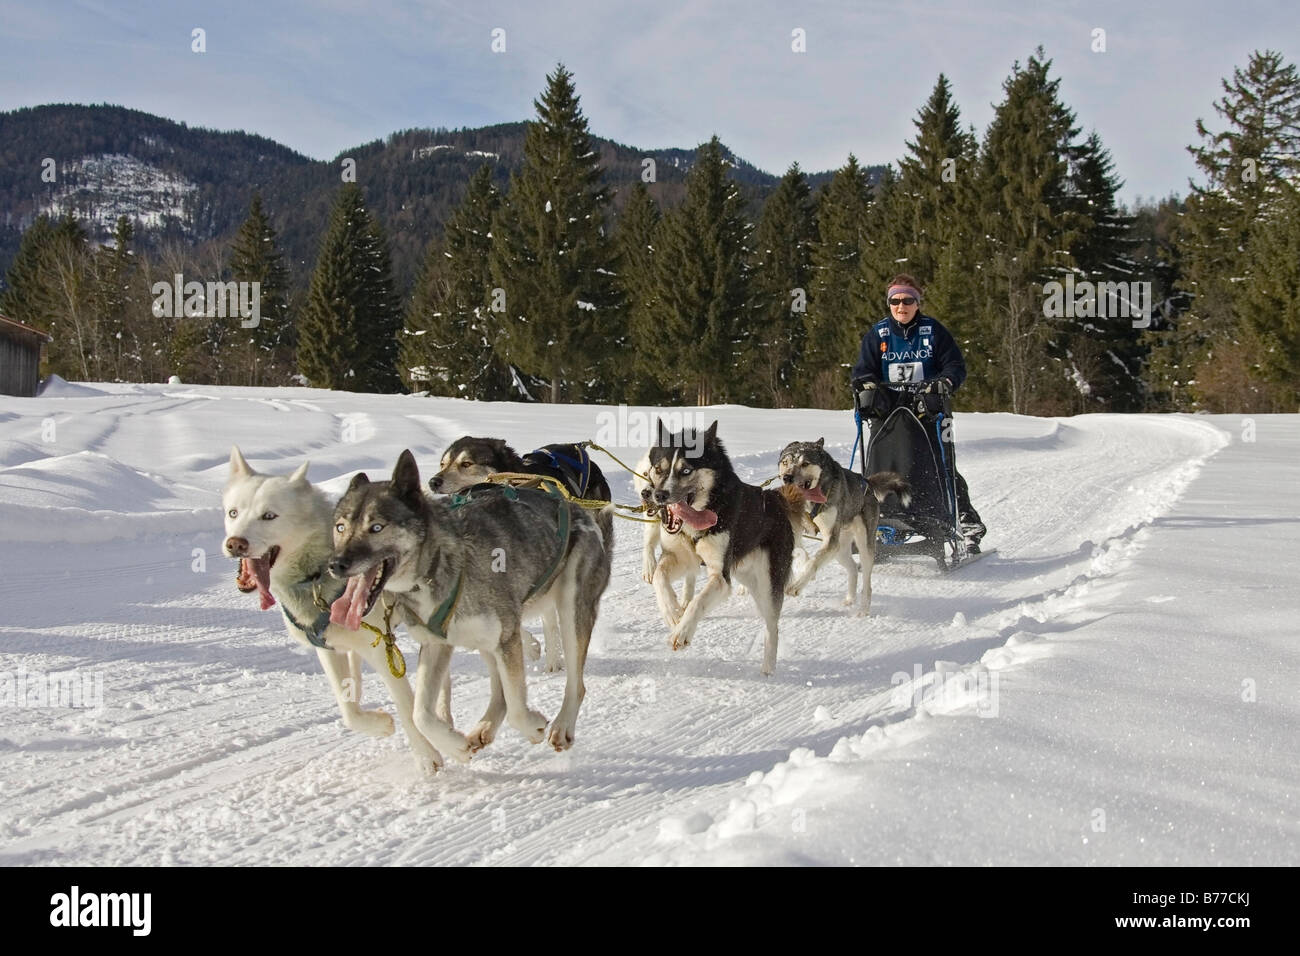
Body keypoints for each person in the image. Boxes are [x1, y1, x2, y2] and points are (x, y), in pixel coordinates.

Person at [850, 273, 985, 552]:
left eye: (907, 300)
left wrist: (944, 382)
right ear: (889, 304)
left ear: (917, 302)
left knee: (941, 464)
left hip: (929, 412)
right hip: (889, 413)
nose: (901, 306)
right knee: (883, 464)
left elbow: (955, 367)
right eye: (895, 301)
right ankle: (888, 518)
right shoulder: (878, 334)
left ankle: (966, 522)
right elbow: (863, 370)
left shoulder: (933, 331)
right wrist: (866, 385)